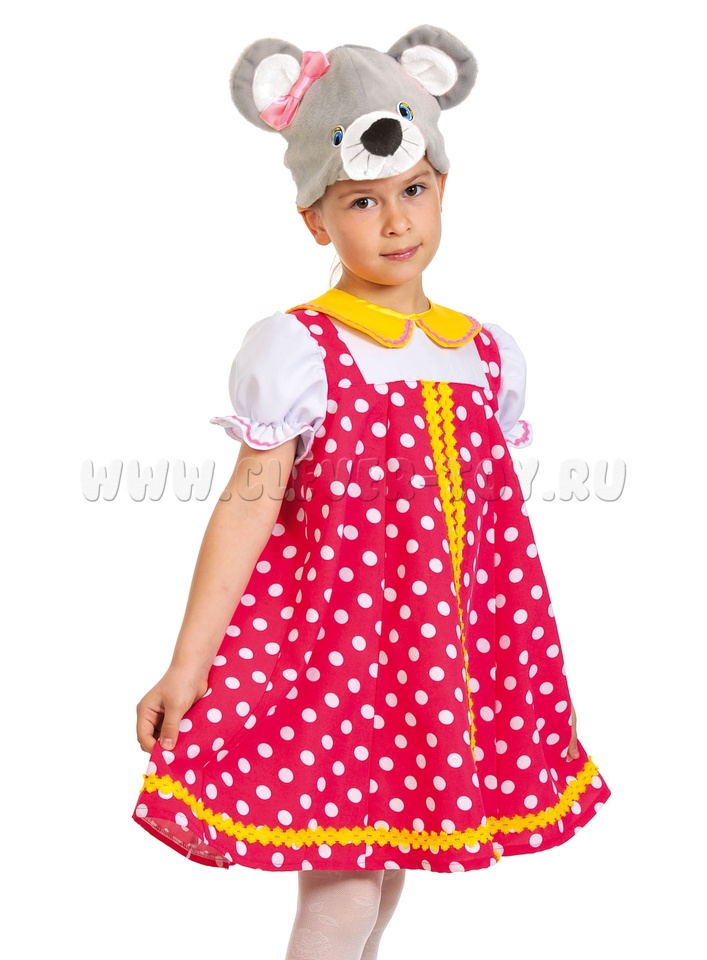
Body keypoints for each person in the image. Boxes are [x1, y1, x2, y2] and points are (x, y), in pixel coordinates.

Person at [134, 26, 610, 960]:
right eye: (362, 200)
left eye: (413, 191)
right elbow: (248, 505)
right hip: (338, 661)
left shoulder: (483, 353)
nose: (396, 223)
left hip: (439, 665)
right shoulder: (301, 348)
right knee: (346, 893)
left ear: (442, 189)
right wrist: (187, 667)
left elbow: (486, 543)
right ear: (316, 220)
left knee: (382, 882)